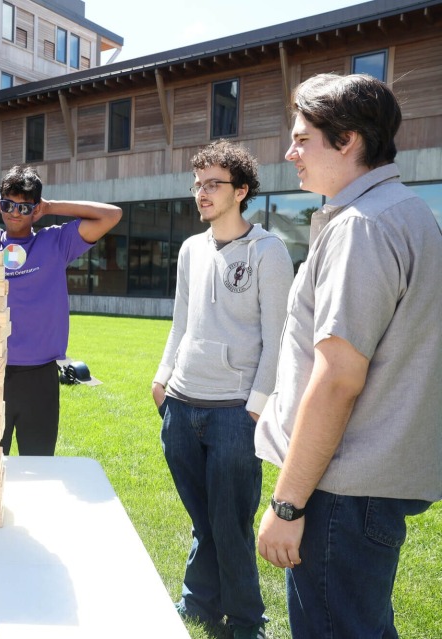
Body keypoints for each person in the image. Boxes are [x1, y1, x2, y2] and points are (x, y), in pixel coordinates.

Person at [255, 73, 442, 638]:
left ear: (349, 140)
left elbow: (338, 378)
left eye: (302, 138)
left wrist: (287, 506)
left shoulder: (362, 226)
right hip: (364, 489)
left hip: (339, 492)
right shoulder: (406, 213)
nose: (290, 154)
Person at [151, 140, 293, 639]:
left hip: (235, 411)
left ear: (242, 191)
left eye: (214, 184)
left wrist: (257, 405)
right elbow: (180, 321)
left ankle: (246, 618)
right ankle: (200, 602)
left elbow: (279, 336)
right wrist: (163, 376)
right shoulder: (191, 249)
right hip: (182, 404)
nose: (202, 193)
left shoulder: (268, 252)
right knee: (203, 516)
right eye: (198, 184)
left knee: (229, 521)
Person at [0, 165, 122, 456]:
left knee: (39, 466)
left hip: (40, 376)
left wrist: (51, 206)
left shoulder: (56, 241)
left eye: (24, 206)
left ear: (36, 208)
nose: (14, 213)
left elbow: (112, 215)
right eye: (8, 204)